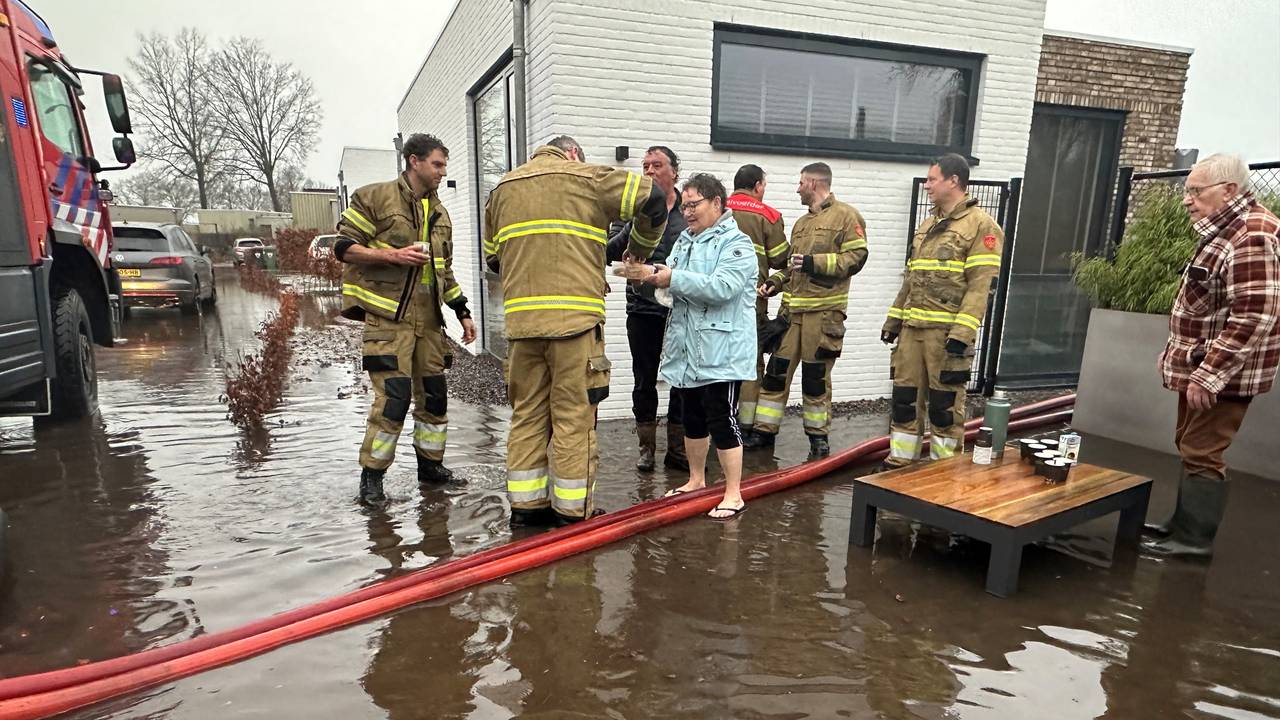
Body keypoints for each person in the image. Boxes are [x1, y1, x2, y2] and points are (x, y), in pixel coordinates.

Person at [484, 135, 667, 526]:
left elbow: (494, 259)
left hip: (520, 328)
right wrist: (639, 248)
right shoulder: (590, 178)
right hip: (575, 324)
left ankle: (527, 509)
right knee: (573, 419)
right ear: (572, 154)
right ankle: (572, 513)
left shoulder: (501, 190)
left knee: (528, 415)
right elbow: (652, 200)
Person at [1143, 153, 1280, 558]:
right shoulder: (1225, 231)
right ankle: (1181, 526)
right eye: (1187, 190)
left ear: (1229, 191)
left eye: (1195, 190)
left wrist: (1208, 375)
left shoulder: (1252, 234)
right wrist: (1178, 356)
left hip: (1223, 375)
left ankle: (1193, 540)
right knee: (1191, 443)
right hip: (1202, 366)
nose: (1187, 199)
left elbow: (1256, 313)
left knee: (1203, 449)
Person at [334, 133, 476, 506]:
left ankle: (431, 469)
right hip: (388, 320)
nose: (443, 173)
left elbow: (443, 271)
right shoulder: (374, 197)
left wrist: (462, 311)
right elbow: (343, 248)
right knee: (393, 400)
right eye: (437, 164)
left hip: (429, 323)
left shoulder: (441, 213)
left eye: (444, 166)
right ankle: (372, 479)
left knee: (435, 397)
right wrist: (393, 257)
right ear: (414, 161)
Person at [618, 173, 757, 518]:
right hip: (688, 348)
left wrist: (671, 278)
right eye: (684, 206)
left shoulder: (737, 244)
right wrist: (646, 277)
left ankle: (733, 493)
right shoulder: (686, 240)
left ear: (716, 203)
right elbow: (671, 292)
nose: (688, 212)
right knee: (691, 417)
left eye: (693, 205)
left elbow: (723, 288)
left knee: (722, 418)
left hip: (721, 350)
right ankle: (696, 480)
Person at [879, 154, 1001, 469]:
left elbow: (980, 286)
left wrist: (962, 334)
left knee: (944, 409)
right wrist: (894, 320)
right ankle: (900, 463)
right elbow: (912, 278)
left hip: (945, 338)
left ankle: (944, 472)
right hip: (912, 331)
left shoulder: (981, 227)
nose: (928, 186)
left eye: (932, 179)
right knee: (905, 400)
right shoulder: (928, 224)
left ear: (954, 181)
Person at [749, 162, 869, 459]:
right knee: (776, 373)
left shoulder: (846, 216)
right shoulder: (802, 224)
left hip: (824, 315)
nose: (797, 188)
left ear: (814, 183)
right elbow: (792, 265)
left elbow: (856, 257)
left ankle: (818, 439)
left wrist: (817, 263)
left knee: (815, 379)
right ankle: (764, 433)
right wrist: (774, 283)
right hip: (791, 316)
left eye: (800, 183)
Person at [605, 146, 689, 473]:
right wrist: (635, 225)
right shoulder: (630, 210)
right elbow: (610, 250)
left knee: (681, 379)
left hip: (681, 310)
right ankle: (646, 449)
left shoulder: (690, 210)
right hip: (642, 308)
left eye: (657, 165)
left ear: (674, 172)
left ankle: (678, 450)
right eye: (645, 166)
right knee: (645, 380)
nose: (650, 171)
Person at [725, 164, 789, 445]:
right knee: (749, 362)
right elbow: (781, 260)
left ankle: (718, 421)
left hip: (714, 300)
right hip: (750, 303)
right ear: (759, 186)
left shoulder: (715, 209)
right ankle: (745, 427)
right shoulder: (768, 216)